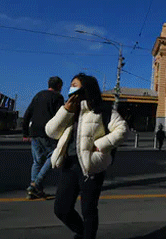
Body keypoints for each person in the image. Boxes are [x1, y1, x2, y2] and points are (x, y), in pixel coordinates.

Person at [46, 73, 127, 239]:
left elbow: (123, 130)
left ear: (85, 88)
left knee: (88, 210)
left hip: (91, 166)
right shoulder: (70, 109)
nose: (71, 89)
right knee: (61, 208)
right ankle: (83, 233)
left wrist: (101, 144)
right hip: (69, 164)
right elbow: (51, 132)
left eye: (75, 85)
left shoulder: (103, 110)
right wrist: (65, 111)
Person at [23, 76, 64, 199]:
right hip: (48, 131)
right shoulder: (58, 97)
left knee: (37, 160)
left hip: (34, 131)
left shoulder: (39, 95)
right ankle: (36, 184)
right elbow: (60, 117)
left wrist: (25, 133)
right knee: (52, 156)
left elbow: (27, 113)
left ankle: (35, 189)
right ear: (59, 86)